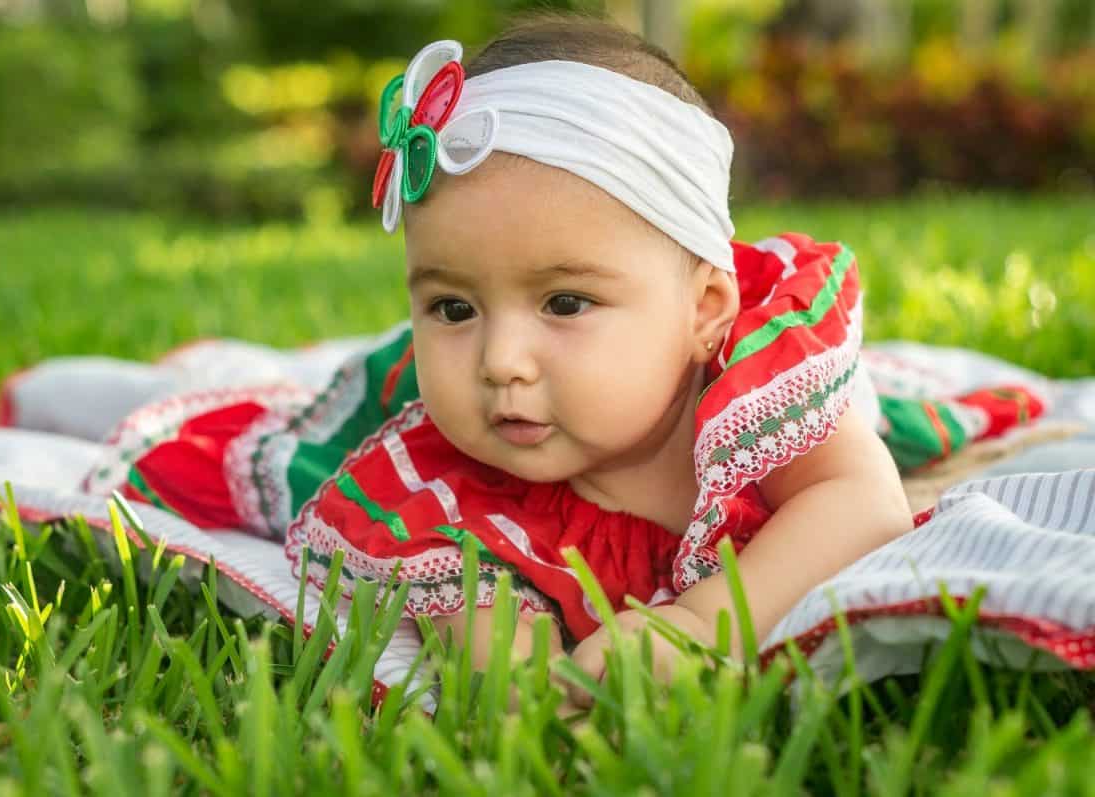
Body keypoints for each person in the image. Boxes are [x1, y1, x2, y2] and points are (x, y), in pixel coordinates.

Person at [106, 15, 1042, 700]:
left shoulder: (763, 381)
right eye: (453, 305)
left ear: (705, 310)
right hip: (381, 396)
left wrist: (700, 625)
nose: (501, 359)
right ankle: (114, 390)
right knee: (283, 445)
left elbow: (862, 502)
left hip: (724, 404)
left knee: (902, 419)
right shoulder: (451, 474)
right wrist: (523, 678)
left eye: (565, 301)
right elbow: (478, 623)